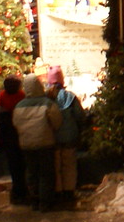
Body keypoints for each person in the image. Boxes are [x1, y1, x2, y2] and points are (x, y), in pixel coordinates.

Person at [13, 75, 63, 211]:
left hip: (26, 144)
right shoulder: (48, 103)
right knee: (46, 173)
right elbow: (57, 122)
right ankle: (45, 203)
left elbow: (16, 124)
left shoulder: (19, 106)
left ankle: (34, 201)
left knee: (31, 172)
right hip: (45, 143)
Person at [43, 65, 84, 208]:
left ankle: (58, 191)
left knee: (56, 165)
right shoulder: (70, 97)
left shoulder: (46, 98)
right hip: (69, 137)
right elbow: (79, 115)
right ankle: (69, 191)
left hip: (51, 138)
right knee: (69, 165)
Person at [0, 74, 28, 205]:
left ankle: (17, 190)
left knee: (13, 165)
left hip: (7, 135)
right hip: (20, 133)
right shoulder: (21, 96)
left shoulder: (3, 95)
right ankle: (23, 190)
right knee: (22, 164)